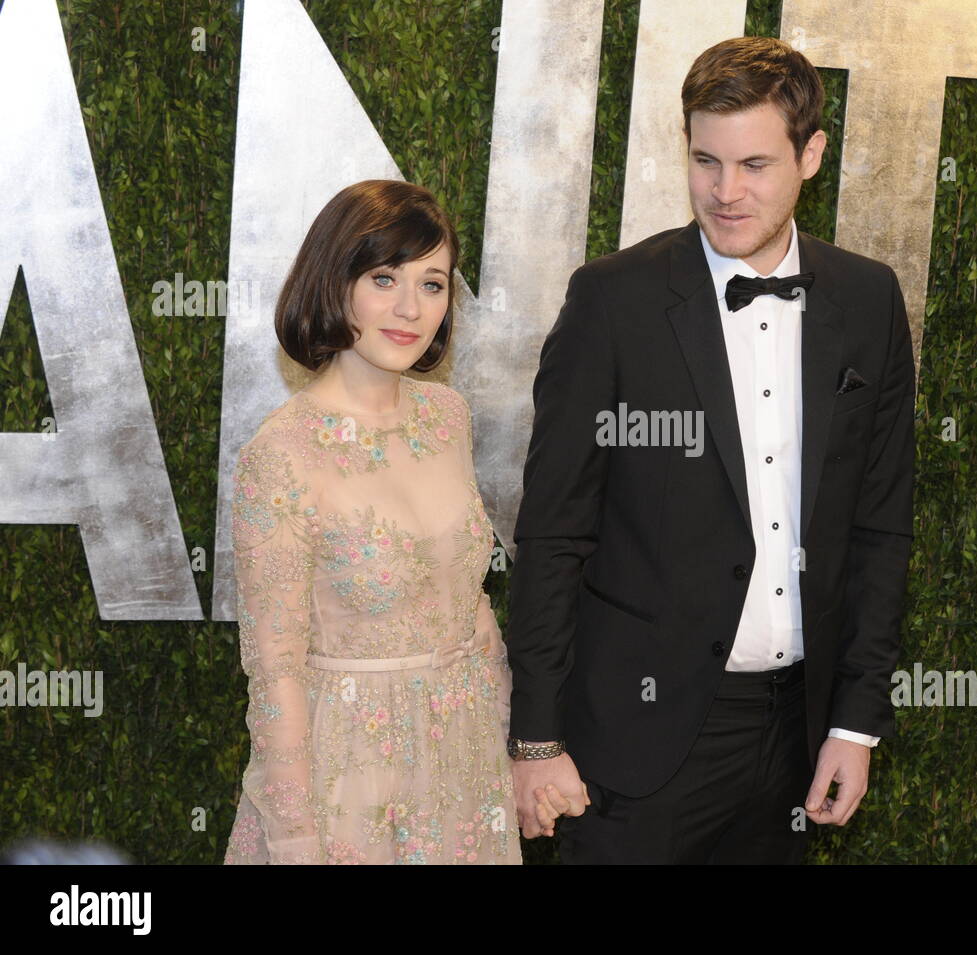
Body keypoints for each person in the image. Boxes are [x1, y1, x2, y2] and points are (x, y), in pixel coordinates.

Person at [506, 36, 915, 864]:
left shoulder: (869, 302)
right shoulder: (612, 301)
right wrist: (537, 741)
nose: (726, 193)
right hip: (635, 747)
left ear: (812, 155)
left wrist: (853, 720)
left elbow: (880, 526)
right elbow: (554, 533)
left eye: (755, 164)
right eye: (706, 161)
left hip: (795, 739)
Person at [223, 179, 520, 864]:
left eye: (433, 283)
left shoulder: (448, 417)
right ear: (336, 281)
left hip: (465, 768)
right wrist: (296, 839)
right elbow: (275, 672)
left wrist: (511, 739)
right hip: (350, 782)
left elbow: (468, 601)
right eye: (384, 277)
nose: (411, 308)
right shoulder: (281, 453)